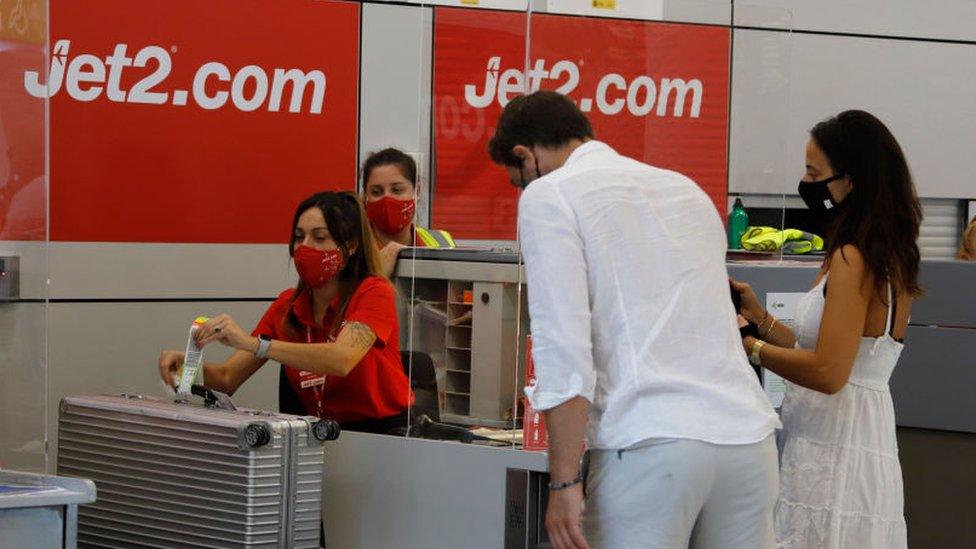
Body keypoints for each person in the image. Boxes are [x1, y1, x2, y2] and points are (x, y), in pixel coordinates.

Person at [489, 91, 780, 549]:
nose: (524, 189)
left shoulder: (551, 195)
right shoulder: (685, 189)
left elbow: (563, 348)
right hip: (747, 441)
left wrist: (563, 483)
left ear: (525, 155)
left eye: (518, 180)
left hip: (650, 443)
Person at [733, 110, 922, 548]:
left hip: (836, 448)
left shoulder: (852, 259)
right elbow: (827, 349)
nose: (806, 182)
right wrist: (760, 318)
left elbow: (829, 372)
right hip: (851, 438)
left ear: (850, 181)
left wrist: (751, 347)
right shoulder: (885, 255)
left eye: (814, 172)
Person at [158, 191, 412, 434]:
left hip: (382, 436)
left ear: (351, 246)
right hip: (317, 434)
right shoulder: (287, 306)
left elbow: (341, 358)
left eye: (320, 237)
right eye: (299, 237)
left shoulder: (374, 292)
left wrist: (255, 344)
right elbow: (227, 378)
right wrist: (189, 369)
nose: (304, 247)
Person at [361, 148, 456, 278]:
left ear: (417, 192)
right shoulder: (353, 249)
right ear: (366, 196)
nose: (387, 199)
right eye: (376, 192)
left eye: (397, 190)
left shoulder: (442, 242)